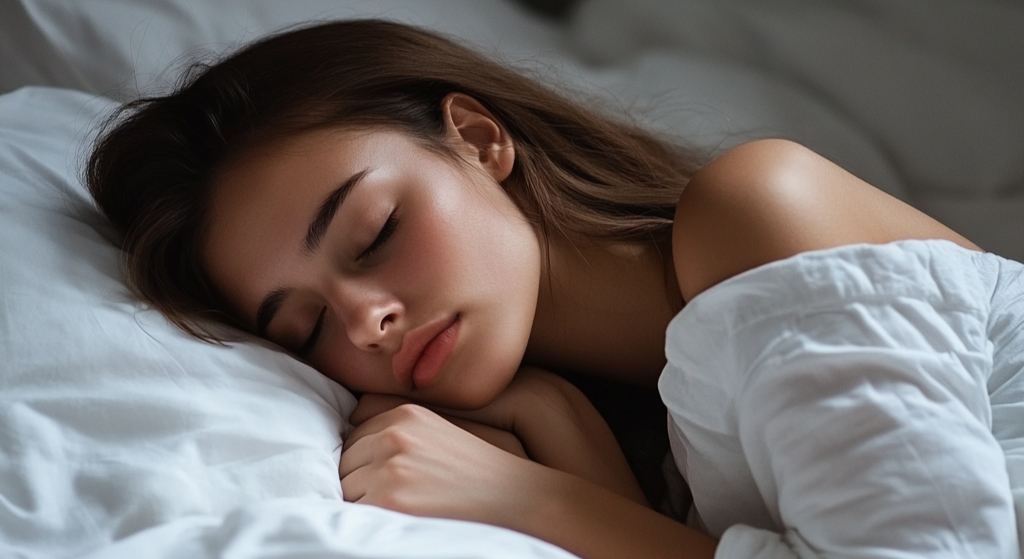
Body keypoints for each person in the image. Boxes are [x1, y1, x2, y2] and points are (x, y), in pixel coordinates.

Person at [86, 19, 1022, 559]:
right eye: (303, 325)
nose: (366, 321)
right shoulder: (633, 431)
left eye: (374, 232)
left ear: (481, 140)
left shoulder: (759, 207)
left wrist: (535, 499)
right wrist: (564, 432)